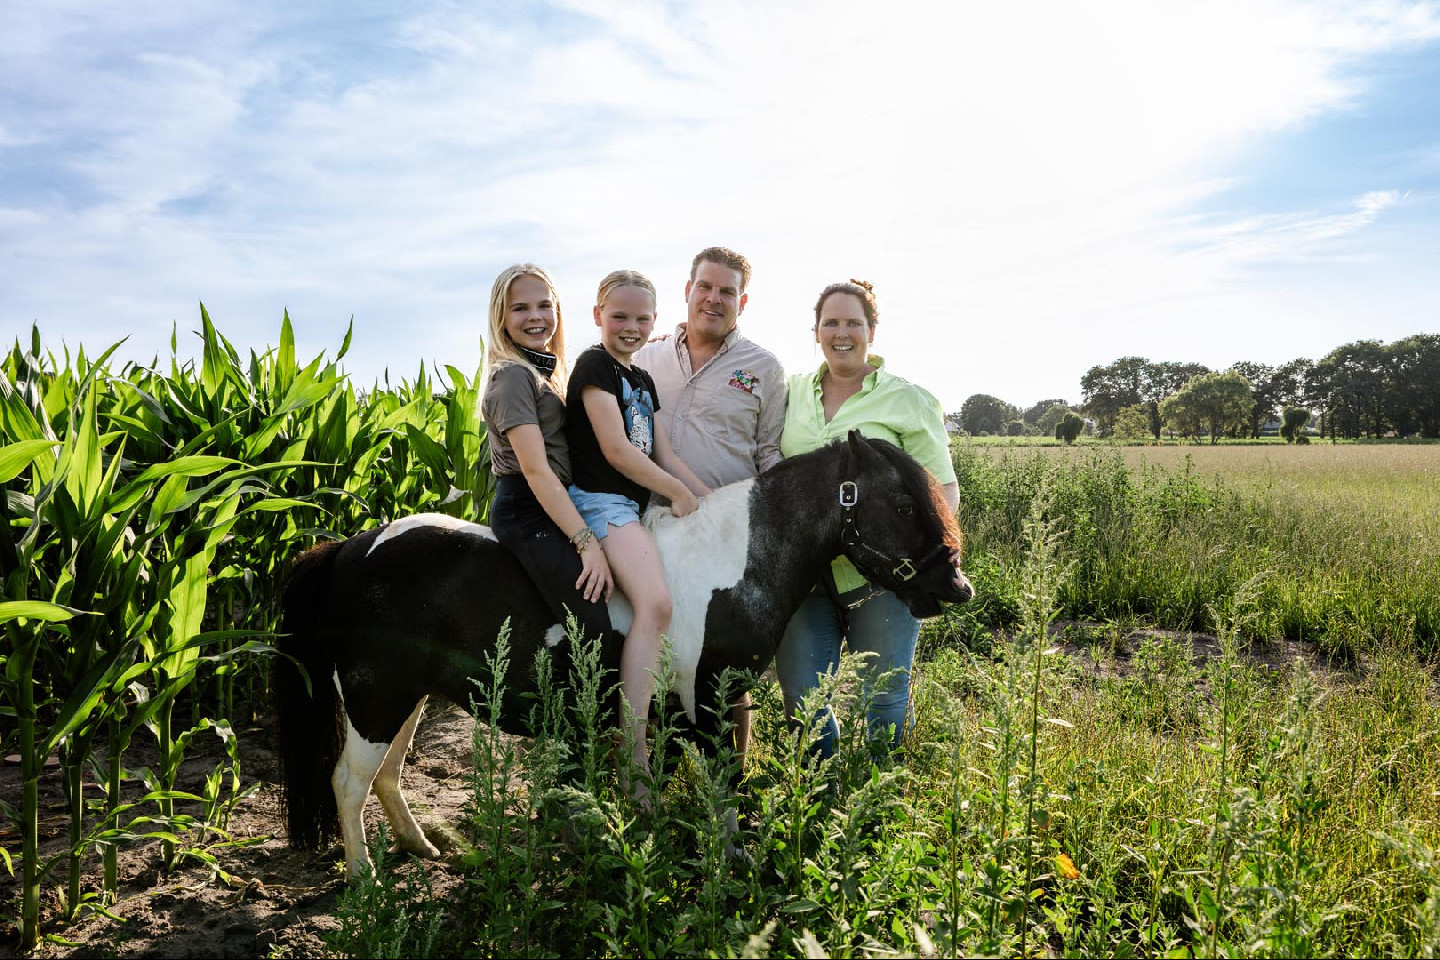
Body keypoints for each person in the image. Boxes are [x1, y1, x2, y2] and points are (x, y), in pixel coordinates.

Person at [772, 278, 961, 759]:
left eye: (853, 322)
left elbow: (942, 490)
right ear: (815, 331)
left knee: (883, 699)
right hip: (805, 577)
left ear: (871, 332)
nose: (842, 332)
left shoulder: (907, 400)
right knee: (804, 704)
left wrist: (923, 555)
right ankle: (817, 805)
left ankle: (876, 810)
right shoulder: (791, 393)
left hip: (880, 579)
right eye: (830, 322)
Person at [633, 245, 786, 755]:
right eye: (706, 286)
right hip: (648, 523)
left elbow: (769, 454)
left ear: (743, 301)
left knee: (728, 662)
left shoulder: (763, 368)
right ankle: (655, 766)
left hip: (725, 533)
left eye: (727, 291)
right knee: (653, 644)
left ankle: (732, 782)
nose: (714, 299)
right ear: (687, 290)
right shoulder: (645, 356)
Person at [565, 269, 711, 797]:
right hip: (600, 503)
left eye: (642, 318)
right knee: (656, 606)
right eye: (620, 316)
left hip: (632, 504)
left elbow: (664, 453)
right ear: (598, 315)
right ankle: (635, 756)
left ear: (655, 320)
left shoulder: (642, 380)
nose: (631, 326)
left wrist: (708, 503)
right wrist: (676, 493)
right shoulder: (592, 367)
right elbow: (617, 450)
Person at [480, 263, 614, 658]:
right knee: (594, 630)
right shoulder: (512, 377)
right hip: (528, 508)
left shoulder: (544, 371)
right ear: (501, 319)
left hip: (552, 503)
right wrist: (586, 543)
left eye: (544, 305)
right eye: (520, 308)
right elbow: (536, 471)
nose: (535, 317)